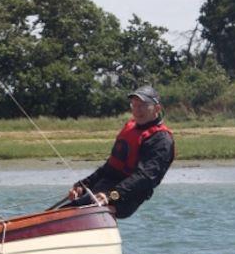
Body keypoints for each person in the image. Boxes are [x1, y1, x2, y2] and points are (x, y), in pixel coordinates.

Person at [66, 85, 174, 218]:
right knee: (64, 211)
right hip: (104, 189)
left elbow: (145, 177)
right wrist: (83, 185)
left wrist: (111, 195)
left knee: (76, 213)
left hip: (126, 197)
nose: (137, 110)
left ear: (157, 108)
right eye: (134, 105)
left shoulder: (161, 140)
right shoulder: (130, 129)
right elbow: (110, 167)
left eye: (143, 106)